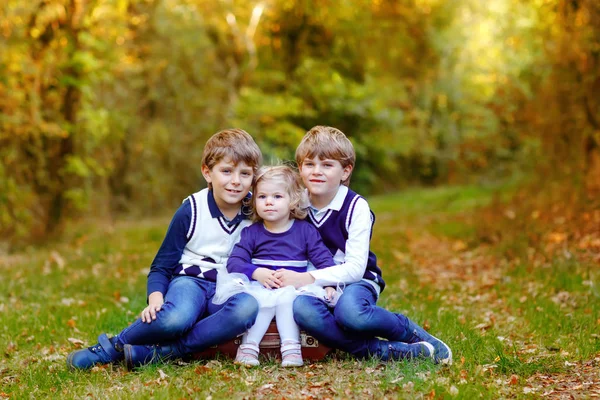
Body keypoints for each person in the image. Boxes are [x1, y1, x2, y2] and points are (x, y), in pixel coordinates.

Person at [67, 128, 262, 370]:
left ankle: (166, 352)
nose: (236, 181)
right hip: (191, 281)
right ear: (207, 172)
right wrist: (156, 297)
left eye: (245, 174)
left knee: (248, 308)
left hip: (231, 285)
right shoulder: (192, 209)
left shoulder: (258, 209)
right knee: (175, 318)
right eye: (226, 171)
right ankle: (115, 346)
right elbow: (162, 264)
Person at [274, 125, 452, 364]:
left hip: (355, 281)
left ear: (345, 171)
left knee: (352, 315)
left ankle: (409, 332)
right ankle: (383, 351)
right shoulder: (294, 202)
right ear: (300, 169)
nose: (317, 171)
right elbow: (261, 199)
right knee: (302, 310)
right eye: (309, 164)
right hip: (312, 287)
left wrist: (307, 279)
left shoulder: (356, 207)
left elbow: (355, 268)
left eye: (327, 165)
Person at [215, 165, 337, 368]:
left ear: (293, 201)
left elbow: (324, 260)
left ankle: (291, 347)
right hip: (260, 286)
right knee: (261, 300)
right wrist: (256, 272)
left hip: (293, 287)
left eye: (277, 197)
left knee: (287, 299)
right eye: (262, 197)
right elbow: (234, 261)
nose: (269, 202)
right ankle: (249, 346)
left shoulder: (305, 231)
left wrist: (329, 284)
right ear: (254, 201)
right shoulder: (252, 232)